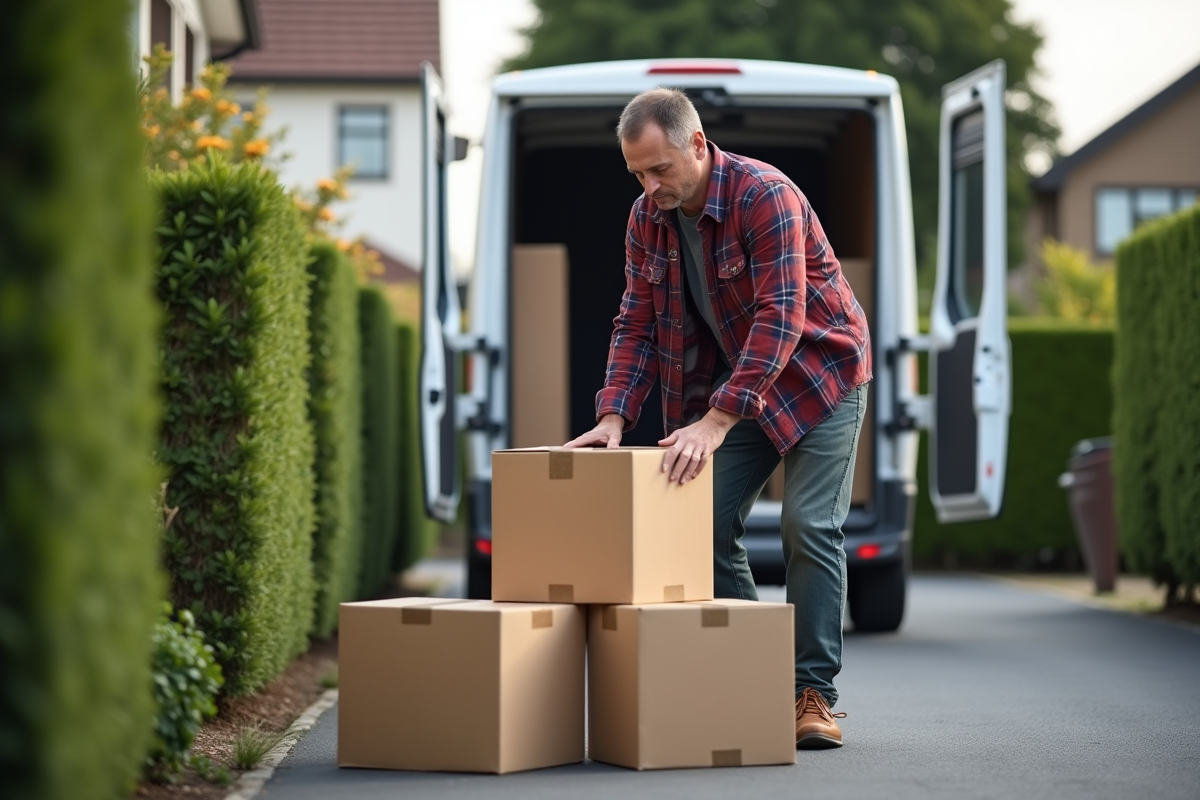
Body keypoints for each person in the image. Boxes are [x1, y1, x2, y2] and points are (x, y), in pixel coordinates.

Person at [565, 88, 872, 749]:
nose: (650, 186)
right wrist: (615, 413)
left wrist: (715, 421)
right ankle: (760, 678)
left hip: (821, 377)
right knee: (697, 524)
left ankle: (811, 696)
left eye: (660, 169)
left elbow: (780, 317)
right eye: (637, 173)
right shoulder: (648, 218)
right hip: (745, 385)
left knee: (808, 523)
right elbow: (637, 318)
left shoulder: (767, 195)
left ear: (697, 145)